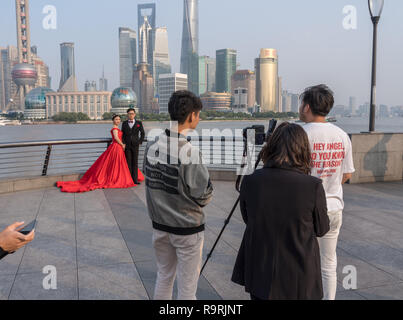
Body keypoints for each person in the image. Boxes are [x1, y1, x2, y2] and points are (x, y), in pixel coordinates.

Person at [231, 122, 330, 300]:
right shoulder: (312, 186)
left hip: (260, 271)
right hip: (299, 275)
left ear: (271, 147)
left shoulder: (251, 181)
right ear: (303, 149)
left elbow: (248, 219)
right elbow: (322, 229)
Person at [144, 90, 213, 300]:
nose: (198, 118)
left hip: (160, 226)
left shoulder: (151, 145)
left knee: (164, 276)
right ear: (192, 116)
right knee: (187, 288)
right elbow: (203, 195)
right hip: (187, 230)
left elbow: (149, 178)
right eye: (198, 114)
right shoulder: (190, 152)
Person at [299, 84, 355, 300]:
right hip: (333, 207)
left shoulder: (300, 133)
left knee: (301, 259)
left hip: (303, 210)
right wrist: (329, 184)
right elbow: (347, 174)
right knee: (328, 262)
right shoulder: (341, 135)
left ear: (306, 107)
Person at [56, 114, 143, 193]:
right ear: (113, 120)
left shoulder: (117, 128)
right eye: (116, 119)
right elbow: (116, 138)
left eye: (119, 119)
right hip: (116, 147)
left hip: (118, 148)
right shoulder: (115, 129)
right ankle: (116, 178)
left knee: (117, 164)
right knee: (116, 164)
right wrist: (122, 145)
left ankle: (118, 177)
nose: (118, 121)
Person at [122, 108, 145, 185]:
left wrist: (140, 141)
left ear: (134, 114)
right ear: (127, 115)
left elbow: (142, 133)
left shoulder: (139, 123)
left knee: (135, 162)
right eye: (129, 114)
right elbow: (122, 135)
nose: (131, 115)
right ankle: (128, 179)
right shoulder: (124, 123)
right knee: (128, 162)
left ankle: (135, 179)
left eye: (132, 113)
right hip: (127, 146)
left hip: (135, 145)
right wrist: (123, 143)